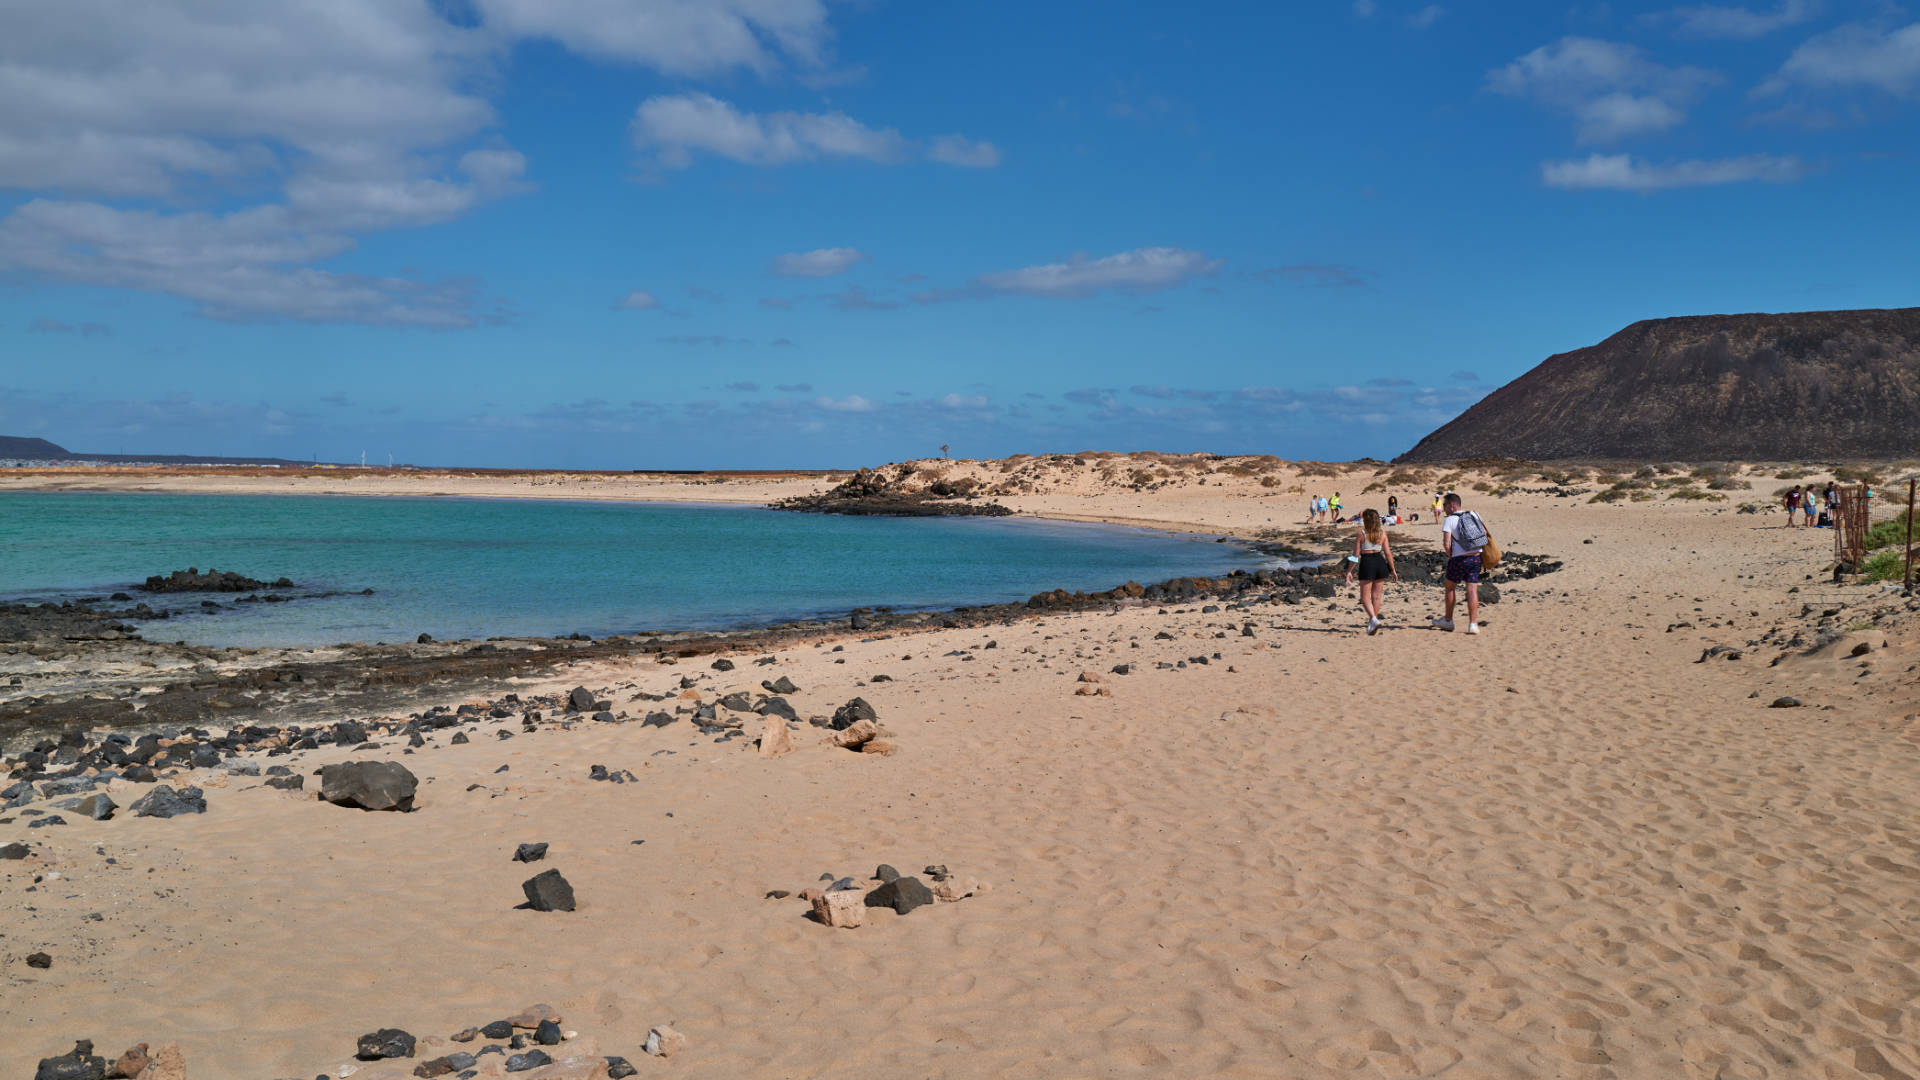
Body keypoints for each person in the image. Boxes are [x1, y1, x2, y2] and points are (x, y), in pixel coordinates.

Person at [1433, 492, 1489, 634]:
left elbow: (1446, 543)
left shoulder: (1450, 519)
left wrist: (1451, 555)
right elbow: (1484, 533)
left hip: (1459, 559)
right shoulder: (1474, 514)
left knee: (1450, 588)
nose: (1444, 508)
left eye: (1445, 505)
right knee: (1472, 590)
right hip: (1476, 557)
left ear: (1452, 505)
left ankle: (1448, 620)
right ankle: (1473, 624)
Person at [1345, 508, 1398, 635]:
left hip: (1367, 563)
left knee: (1365, 597)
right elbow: (1388, 554)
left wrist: (1349, 571)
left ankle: (1373, 619)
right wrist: (1393, 570)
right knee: (1376, 596)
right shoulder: (1382, 534)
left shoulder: (1362, 534)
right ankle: (1372, 622)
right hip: (1380, 563)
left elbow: (1355, 556)